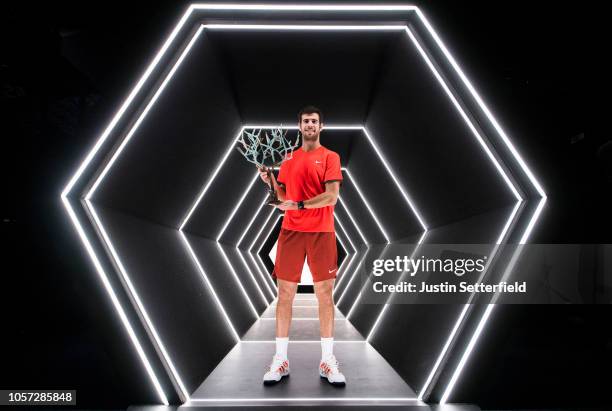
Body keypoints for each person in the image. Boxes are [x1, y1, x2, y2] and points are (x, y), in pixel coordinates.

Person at [258, 106, 346, 386]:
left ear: (321, 126)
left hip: (321, 231)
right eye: (306, 121)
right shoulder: (288, 159)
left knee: (325, 294)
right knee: (284, 294)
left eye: (314, 121)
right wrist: (269, 182)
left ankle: (327, 361)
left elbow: (331, 197)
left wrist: (299, 205)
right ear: (299, 126)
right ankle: (280, 360)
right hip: (291, 232)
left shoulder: (330, 157)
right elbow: (283, 197)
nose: (310, 125)